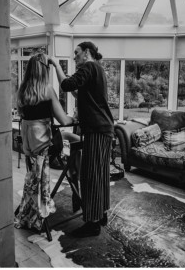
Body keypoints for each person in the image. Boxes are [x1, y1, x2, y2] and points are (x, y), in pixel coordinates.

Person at [51, 41, 113, 237]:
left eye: (76, 53)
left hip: (96, 129)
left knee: (91, 175)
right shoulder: (98, 69)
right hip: (104, 128)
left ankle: (92, 224)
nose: (74, 57)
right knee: (100, 173)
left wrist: (55, 64)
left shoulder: (88, 66)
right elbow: (81, 94)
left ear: (86, 52)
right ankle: (101, 214)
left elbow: (66, 84)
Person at [14, 54, 74, 233]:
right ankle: (75, 178)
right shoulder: (47, 90)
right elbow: (63, 120)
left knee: (33, 175)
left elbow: (23, 115)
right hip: (43, 147)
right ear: (44, 70)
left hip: (29, 146)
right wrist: (74, 117)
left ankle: (31, 205)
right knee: (70, 144)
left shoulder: (22, 91)